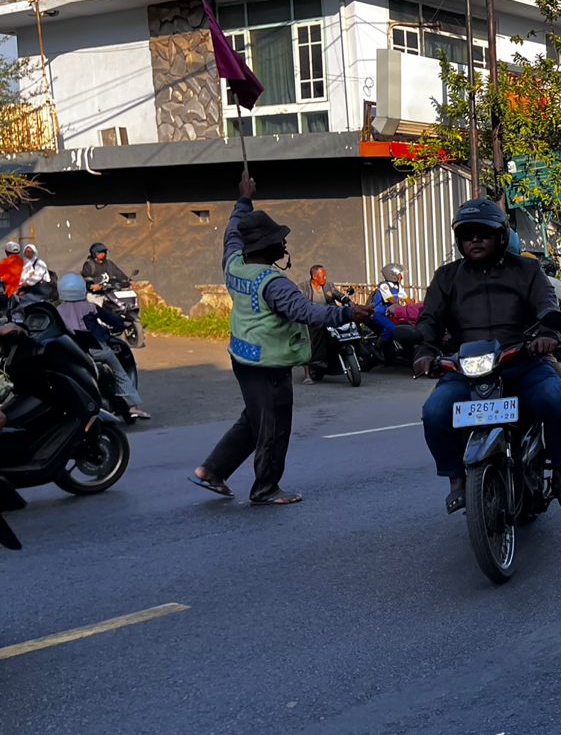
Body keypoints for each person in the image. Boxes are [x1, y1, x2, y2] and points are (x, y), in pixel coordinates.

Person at [188, 171, 372, 506]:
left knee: (254, 418)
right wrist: (347, 313)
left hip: (242, 355)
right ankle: (266, 488)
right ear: (268, 248)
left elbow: (232, 233)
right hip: (268, 362)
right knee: (273, 427)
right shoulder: (275, 283)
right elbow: (306, 312)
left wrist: (244, 199)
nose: (283, 244)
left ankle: (212, 470)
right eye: (279, 240)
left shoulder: (233, 264)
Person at [413, 198, 561, 515]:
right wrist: (424, 351)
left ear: (501, 237)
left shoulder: (527, 270)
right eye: (468, 235)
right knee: (434, 411)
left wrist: (546, 335)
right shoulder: (446, 277)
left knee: (555, 397)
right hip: (467, 369)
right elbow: (429, 320)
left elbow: (547, 306)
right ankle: (456, 480)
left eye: (483, 233)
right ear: (459, 241)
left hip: (521, 361)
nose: (475, 240)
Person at [55, 272, 151, 420]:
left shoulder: (58, 311)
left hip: (71, 352)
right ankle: (133, 407)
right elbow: (114, 321)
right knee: (119, 373)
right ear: (82, 289)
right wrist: (122, 323)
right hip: (97, 350)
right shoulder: (91, 307)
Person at [300, 264, 350, 383]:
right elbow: (300, 302)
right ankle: (308, 374)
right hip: (311, 320)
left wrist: (347, 301)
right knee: (308, 340)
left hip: (328, 317)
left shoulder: (328, 286)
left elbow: (337, 294)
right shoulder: (303, 288)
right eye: (323, 276)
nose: (325, 278)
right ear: (314, 276)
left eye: (326, 276)